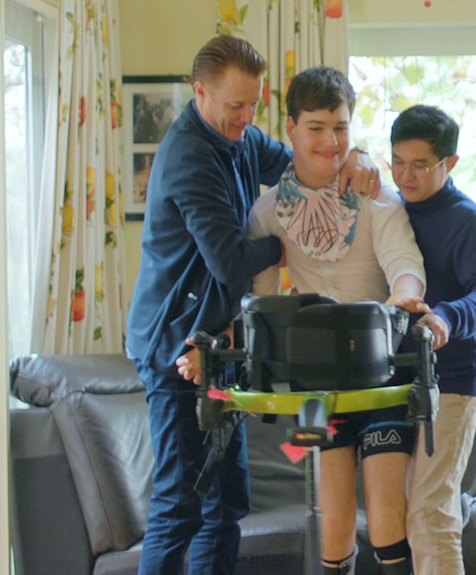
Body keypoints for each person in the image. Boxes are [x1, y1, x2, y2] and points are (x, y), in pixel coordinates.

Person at [125, 36, 379, 575]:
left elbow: (306, 159)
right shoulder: (190, 157)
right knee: (181, 506)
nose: (246, 117)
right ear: (200, 92)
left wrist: (355, 153)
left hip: (217, 348)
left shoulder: (237, 136)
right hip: (176, 346)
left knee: (226, 508)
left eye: (255, 105)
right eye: (235, 105)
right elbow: (231, 262)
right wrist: (282, 244)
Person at [247, 66, 427, 575]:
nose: (330, 140)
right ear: (291, 129)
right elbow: (260, 302)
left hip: (384, 370)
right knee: (333, 518)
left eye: (341, 128)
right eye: (317, 127)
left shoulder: (376, 199)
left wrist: (404, 301)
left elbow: (406, 268)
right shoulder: (267, 213)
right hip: (313, 384)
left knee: (388, 515)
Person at [389, 104, 476, 575]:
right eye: (396, 161)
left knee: (429, 514)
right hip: (398, 380)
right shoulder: (386, 210)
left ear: (449, 163)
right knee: (407, 511)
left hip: (456, 379)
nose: (405, 175)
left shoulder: (468, 220)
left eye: (419, 164)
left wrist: (447, 317)